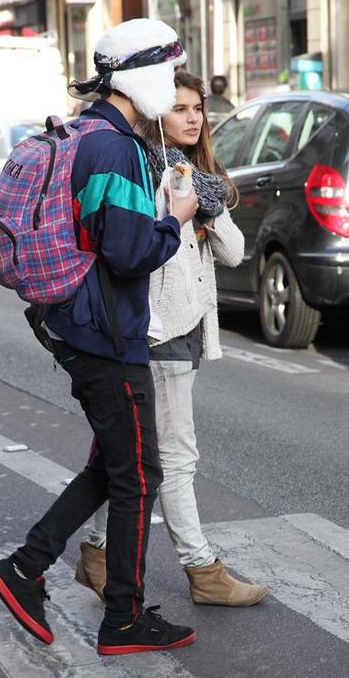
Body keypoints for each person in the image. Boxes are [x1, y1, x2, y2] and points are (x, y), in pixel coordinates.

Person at [0, 19, 200, 656]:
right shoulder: (116, 147)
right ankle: (123, 618)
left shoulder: (88, 132)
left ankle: (23, 569)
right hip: (106, 335)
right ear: (137, 77)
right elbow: (129, 250)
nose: (171, 81)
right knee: (139, 474)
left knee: (114, 465)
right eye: (165, 69)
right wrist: (176, 218)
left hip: (81, 325)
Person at [75, 70, 269, 608]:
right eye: (178, 107)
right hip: (157, 333)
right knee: (176, 459)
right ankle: (202, 569)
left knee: (126, 457)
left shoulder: (198, 180)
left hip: (184, 332)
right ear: (157, 113)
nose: (190, 117)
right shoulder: (145, 173)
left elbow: (233, 252)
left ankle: (95, 553)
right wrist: (176, 209)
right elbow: (136, 256)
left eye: (196, 109)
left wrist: (204, 206)